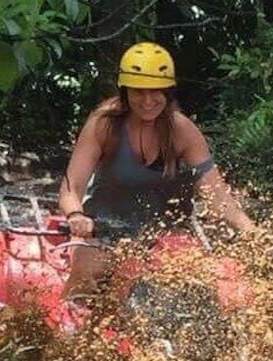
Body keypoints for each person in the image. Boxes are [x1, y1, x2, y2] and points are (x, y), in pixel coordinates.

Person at [58, 41, 256, 300]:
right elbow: (71, 187)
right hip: (106, 233)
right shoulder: (104, 124)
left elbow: (217, 194)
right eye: (139, 92)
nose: (148, 101)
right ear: (125, 91)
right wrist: (75, 215)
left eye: (156, 92)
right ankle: (70, 332)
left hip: (164, 237)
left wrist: (250, 230)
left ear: (168, 93)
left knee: (206, 287)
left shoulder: (182, 131)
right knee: (87, 271)